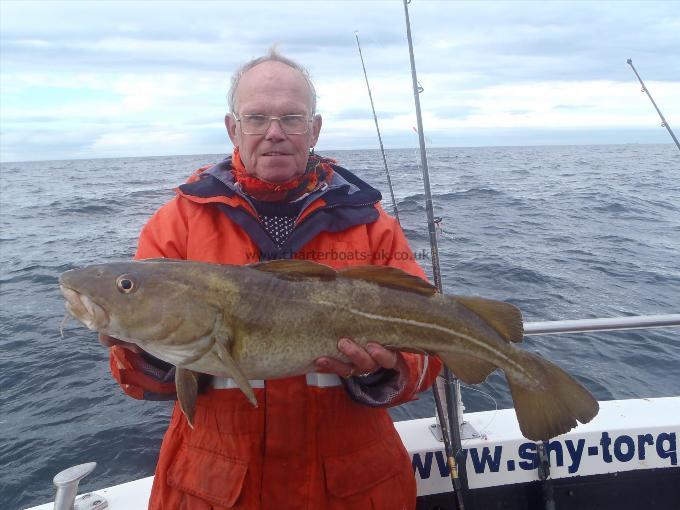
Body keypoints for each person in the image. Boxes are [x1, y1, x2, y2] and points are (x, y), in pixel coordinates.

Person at [101, 48, 442, 510]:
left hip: (352, 490)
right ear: (232, 127)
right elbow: (144, 380)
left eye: (292, 118)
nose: (275, 133)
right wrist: (149, 351)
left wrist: (385, 369)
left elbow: (427, 353)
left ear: (314, 129)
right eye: (257, 117)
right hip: (214, 489)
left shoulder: (372, 225)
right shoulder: (175, 224)